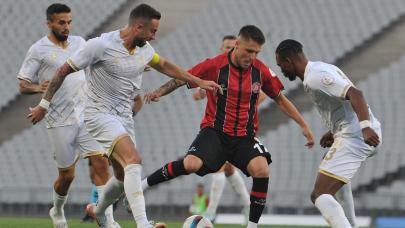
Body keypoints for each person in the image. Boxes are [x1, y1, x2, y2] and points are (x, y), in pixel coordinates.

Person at [28, 4, 221, 228]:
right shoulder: (100, 45)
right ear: (138, 27)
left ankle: (99, 211)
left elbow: (165, 65)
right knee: (134, 161)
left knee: (121, 178)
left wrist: (198, 82)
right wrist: (44, 104)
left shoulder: (144, 49)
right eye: (152, 31)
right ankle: (143, 224)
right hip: (99, 115)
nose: (154, 36)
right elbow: (63, 70)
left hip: (124, 118)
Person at [142, 25, 314, 228]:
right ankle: (141, 186)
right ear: (237, 45)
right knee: (190, 165)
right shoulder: (215, 65)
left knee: (261, 169)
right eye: (249, 51)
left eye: (256, 52)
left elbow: (280, 99)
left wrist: (304, 125)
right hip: (215, 131)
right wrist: (159, 92)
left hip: (244, 136)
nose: (252, 56)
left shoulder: (260, 70)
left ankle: (252, 225)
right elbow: (183, 78)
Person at [18, 4, 117, 228]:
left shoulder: (80, 43)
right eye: (61, 22)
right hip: (58, 120)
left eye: (69, 22)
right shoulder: (38, 49)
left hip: (86, 115)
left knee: (101, 164)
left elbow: (102, 58)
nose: (67, 26)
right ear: (49, 23)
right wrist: (37, 88)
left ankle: (108, 220)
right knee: (67, 177)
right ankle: (58, 209)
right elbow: (23, 85)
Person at [274, 39, 381, 228]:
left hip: (356, 136)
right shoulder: (318, 69)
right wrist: (333, 131)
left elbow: (356, 94)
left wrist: (365, 126)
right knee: (331, 176)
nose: (281, 69)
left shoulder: (316, 77)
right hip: (349, 133)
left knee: (320, 195)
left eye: (280, 64)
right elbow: (342, 104)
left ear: (289, 60)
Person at [192, 35, 265, 224]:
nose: (228, 50)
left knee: (219, 167)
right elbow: (198, 94)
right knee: (229, 169)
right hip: (219, 126)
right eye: (226, 47)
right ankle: (247, 205)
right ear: (221, 48)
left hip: (240, 128)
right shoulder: (218, 70)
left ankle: (211, 212)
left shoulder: (248, 72)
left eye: (232, 46)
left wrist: (245, 105)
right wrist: (202, 91)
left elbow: (263, 94)